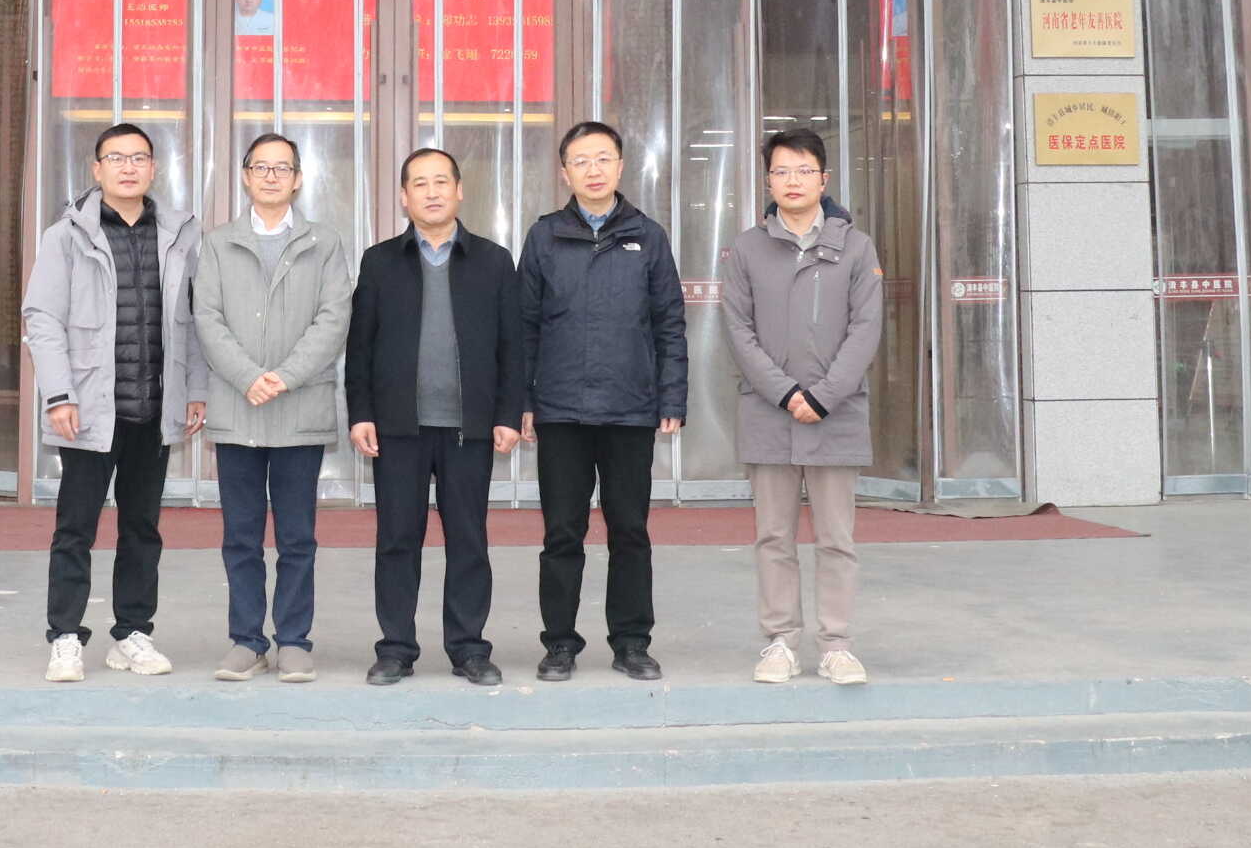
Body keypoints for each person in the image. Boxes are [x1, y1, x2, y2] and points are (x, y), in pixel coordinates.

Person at [21, 122, 205, 684]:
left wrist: (195, 389)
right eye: (116, 158)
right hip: (86, 410)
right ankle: (65, 636)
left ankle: (131, 633)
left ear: (154, 168)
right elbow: (42, 318)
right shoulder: (66, 236)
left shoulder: (180, 235)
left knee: (142, 528)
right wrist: (58, 394)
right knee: (75, 528)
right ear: (97, 169)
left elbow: (195, 320)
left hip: (154, 407)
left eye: (139, 158)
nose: (128, 167)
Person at [517, 119, 688, 682]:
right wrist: (522, 401)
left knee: (630, 531)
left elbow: (668, 323)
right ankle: (559, 644)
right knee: (561, 533)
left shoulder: (648, 236)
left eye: (603, 159)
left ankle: (632, 642)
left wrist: (671, 395)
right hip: (561, 408)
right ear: (564, 172)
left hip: (629, 408)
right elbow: (523, 326)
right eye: (580, 161)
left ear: (620, 166)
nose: (593, 170)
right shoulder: (544, 237)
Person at [345, 146, 522, 687]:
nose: (432, 192)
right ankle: (396, 648)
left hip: (470, 426)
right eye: (419, 183)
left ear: (459, 190)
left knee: (468, 539)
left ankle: (469, 648)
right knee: (397, 539)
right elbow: (360, 346)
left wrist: (508, 414)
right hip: (399, 426)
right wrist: (361, 413)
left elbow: (513, 346)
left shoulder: (493, 260)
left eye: (441, 181)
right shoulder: (380, 261)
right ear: (404, 197)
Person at [720, 125, 884, 687]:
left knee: (836, 538)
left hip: (837, 415)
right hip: (769, 413)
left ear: (824, 179)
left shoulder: (857, 247)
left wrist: (824, 395)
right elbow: (738, 331)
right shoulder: (747, 248)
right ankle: (780, 642)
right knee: (773, 537)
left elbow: (866, 329)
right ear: (768, 181)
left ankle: (836, 644)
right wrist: (786, 393)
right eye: (782, 171)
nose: (793, 180)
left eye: (804, 170)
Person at [192, 131, 351, 684]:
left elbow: (334, 318)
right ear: (245, 176)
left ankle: (294, 641)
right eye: (261, 167)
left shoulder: (324, 243)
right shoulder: (218, 243)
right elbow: (207, 318)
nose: (271, 177)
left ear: (298, 179)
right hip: (237, 411)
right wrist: (247, 377)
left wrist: (284, 377)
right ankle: (247, 640)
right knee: (240, 536)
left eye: (282, 168)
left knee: (296, 538)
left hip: (299, 410)